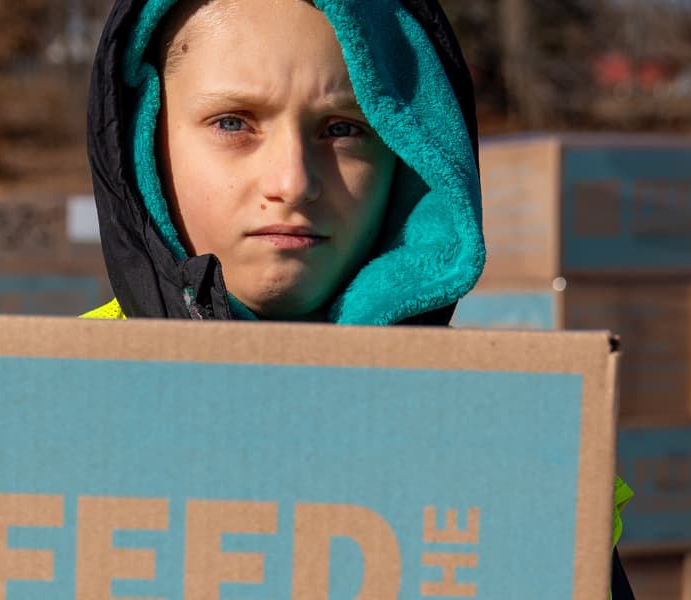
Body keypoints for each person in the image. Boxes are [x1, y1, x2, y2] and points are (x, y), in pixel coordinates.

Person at [82, 0, 638, 595]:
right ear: (146, 144)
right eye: (233, 122)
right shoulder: (53, 405)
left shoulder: (522, 448)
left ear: (410, 154)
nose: (292, 182)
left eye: (343, 129)